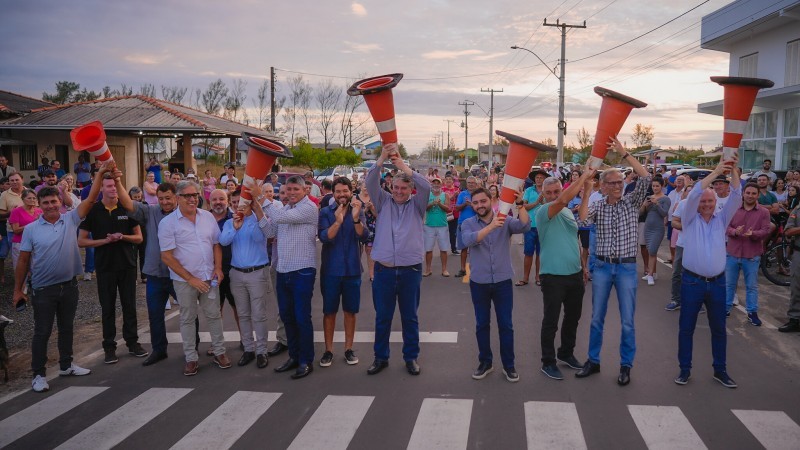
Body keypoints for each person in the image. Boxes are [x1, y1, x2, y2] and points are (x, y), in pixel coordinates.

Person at [13, 163, 110, 392]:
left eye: (54, 201)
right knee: (42, 331)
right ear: (39, 204)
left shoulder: (71, 220)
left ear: (60, 202)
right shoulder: (31, 229)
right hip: (43, 289)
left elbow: (91, 199)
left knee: (67, 327)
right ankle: (38, 374)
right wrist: (18, 290)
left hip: (69, 286)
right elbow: (23, 261)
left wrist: (101, 174)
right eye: (45, 202)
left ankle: (66, 365)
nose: (50, 206)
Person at [576, 137, 650, 386]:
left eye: (620, 182)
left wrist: (624, 153)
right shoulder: (599, 206)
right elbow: (584, 221)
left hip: (627, 267)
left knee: (628, 321)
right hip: (603, 267)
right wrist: (587, 192)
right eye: (613, 183)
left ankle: (625, 365)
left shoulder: (631, 202)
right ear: (604, 186)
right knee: (597, 317)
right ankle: (593, 361)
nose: (618, 186)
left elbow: (646, 177)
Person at [365, 143, 431, 376]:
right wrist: (382, 157)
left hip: (410, 270)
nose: (399, 191)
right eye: (395, 187)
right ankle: (380, 357)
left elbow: (426, 185)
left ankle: (411, 357)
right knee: (382, 317)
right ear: (390, 187)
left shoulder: (418, 205)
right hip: (383, 270)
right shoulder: (382, 202)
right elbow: (370, 180)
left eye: (404, 188)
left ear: (410, 190)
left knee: (410, 317)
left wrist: (403, 165)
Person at [675, 158, 741, 388]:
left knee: (719, 329)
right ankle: (685, 370)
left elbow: (736, 196)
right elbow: (694, 194)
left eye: (710, 201)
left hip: (717, 283)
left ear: (716, 203)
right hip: (692, 282)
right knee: (686, 328)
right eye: (704, 201)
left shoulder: (722, 220)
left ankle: (720, 370)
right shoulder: (689, 219)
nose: (706, 204)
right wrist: (716, 171)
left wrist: (732, 170)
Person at [158, 180, 230, 376]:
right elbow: (166, 256)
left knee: (214, 316)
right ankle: (191, 358)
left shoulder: (207, 217)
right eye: (187, 195)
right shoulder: (167, 223)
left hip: (209, 277)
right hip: (185, 281)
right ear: (177, 198)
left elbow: (216, 244)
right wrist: (190, 279)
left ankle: (219, 352)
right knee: (188, 318)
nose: (192, 199)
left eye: (195, 195)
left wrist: (218, 268)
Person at [78, 172, 147, 363]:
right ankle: (109, 347)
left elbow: (139, 238)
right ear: (101, 188)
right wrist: (104, 241)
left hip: (127, 265)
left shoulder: (127, 209)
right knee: (107, 308)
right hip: (105, 267)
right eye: (108, 186)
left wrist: (122, 237)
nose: (113, 189)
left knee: (129, 306)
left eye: (115, 185)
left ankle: (132, 343)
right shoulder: (93, 211)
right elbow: (81, 241)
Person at [462, 185, 530, 375]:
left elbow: (525, 226)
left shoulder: (505, 220)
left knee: (506, 325)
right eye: (475, 203)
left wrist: (520, 204)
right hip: (479, 282)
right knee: (482, 324)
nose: (479, 205)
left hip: (502, 282)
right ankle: (485, 362)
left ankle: (509, 365)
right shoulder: (468, 223)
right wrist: (491, 227)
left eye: (483, 201)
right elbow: (467, 241)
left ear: (491, 201)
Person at [537, 170, 595, 380]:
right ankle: (548, 361)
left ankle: (566, 353)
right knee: (551, 321)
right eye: (549, 192)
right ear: (544, 195)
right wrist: (583, 178)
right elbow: (563, 200)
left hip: (574, 274)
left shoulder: (568, 212)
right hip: (553, 276)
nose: (553, 195)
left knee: (573, 318)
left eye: (556, 191)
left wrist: (583, 266)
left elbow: (576, 236)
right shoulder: (545, 210)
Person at [260, 175, 319, 379]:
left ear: (305, 191)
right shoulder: (284, 210)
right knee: (287, 316)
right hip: (283, 270)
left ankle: (306, 360)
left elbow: (278, 219)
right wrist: (256, 207)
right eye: (288, 190)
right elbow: (269, 230)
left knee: (302, 317)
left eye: (295, 189)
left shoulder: (309, 208)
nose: (291, 193)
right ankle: (294, 356)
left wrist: (261, 200)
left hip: (302, 270)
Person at [126, 182, 179, 366]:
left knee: (189, 313)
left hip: (179, 274)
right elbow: (128, 204)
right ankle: (159, 350)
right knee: (155, 314)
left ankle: (192, 348)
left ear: (176, 197)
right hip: (155, 274)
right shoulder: (150, 212)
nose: (164, 202)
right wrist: (117, 182)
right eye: (161, 198)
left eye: (168, 198)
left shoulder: (185, 214)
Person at [219, 187, 273, 369]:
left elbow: (262, 237)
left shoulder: (258, 220)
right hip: (236, 273)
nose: (237, 206)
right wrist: (235, 228)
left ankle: (262, 351)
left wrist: (252, 216)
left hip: (257, 272)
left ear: (248, 203)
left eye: (240, 202)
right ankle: (248, 349)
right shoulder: (229, 222)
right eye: (233, 203)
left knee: (259, 315)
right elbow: (223, 241)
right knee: (243, 314)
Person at [317, 177, 368, 367]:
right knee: (329, 311)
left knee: (350, 311)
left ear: (351, 191)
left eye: (345, 191)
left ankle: (348, 348)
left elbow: (364, 236)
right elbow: (325, 237)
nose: (342, 195)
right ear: (333, 193)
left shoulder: (358, 210)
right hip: (331, 270)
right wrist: (337, 221)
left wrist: (354, 218)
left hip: (353, 270)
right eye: (338, 192)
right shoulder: (325, 212)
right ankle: (328, 350)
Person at [725, 183, 771, 325]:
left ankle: (752, 312)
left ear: (757, 195)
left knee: (751, 286)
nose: (750, 196)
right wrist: (734, 232)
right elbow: (725, 226)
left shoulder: (764, 212)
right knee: (728, 284)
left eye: (753, 193)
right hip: (732, 253)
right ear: (743, 193)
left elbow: (766, 230)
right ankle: (725, 308)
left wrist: (754, 234)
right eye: (748, 193)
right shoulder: (733, 209)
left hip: (751, 255)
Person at [208, 189, 241, 353]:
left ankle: (245, 340)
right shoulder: (204, 218)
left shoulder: (235, 218)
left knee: (239, 308)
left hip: (234, 269)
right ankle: (216, 344)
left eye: (221, 199)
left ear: (227, 201)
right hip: (212, 272)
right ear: (209, 202)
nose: (218, 202)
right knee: (215, 309)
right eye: (214, 200)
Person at [519, 169, 548, 286]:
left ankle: (538, 277)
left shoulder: (547, 191)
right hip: (530, 226)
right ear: (534, 180)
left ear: (545, 179)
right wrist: (536, 203)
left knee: (540, 254)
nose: (539, 179)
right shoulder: (529, 190)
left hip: (543, 226)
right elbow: (523, 206)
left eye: (541, 177)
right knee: (528, 253)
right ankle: (525, 278)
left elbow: (551, 206)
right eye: (537, 178)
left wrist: (543, 202)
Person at [641, 177, 670, 285]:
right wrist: (644, 205)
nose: (655, 188)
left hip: (658, 228)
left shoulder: (665, 199)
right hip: (648, 226)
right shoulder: (649, 197)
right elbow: (640, 213)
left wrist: (657, 204)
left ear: (662, 186)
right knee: (650, 251)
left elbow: (664, 213)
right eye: (653, 186)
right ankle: (654, 273)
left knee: (652, 251)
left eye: (657, 186)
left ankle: (650, 275)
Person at [0, 172, 25, 283]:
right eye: (12, 180)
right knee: (18, 259)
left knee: (32, 257)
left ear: (22, 180)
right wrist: (11, 213)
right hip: (13, 231)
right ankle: (20, 284)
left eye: (16, 180)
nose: (14, 182)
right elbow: (1, 213)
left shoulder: (29, 192)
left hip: (30, 230)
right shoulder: (5, 194)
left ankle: (32, 281)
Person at [423, 177, 451, 277]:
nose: (436, 185)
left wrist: (439, 204)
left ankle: (444, 269)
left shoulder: (445, 195)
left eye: (438, 183)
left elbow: (448, 209)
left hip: (442, 225)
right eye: (434, 183)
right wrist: (432, 203)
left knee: (443, 249)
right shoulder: (427, 195)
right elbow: (424, 208)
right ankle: (428, 269)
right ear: (431, 184)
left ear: (441, 184)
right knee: (428, 249)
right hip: (429, 225)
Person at [8, 189, 41, 271]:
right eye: (29, 198)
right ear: (23, 199)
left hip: (36, 243)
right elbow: (16, 230)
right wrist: (32, 223)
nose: (32, 200)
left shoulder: (39, 211)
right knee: (21, 268)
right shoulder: (16, 211)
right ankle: (21, 284)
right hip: (20, 243)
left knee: (35, 267)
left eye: (34, 198)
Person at [780, 202, 800, 333]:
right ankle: (795, 319)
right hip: (799, 253)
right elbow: (788, 231)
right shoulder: (798, 210)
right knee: (797, 287)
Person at [454, 177, 479, 278]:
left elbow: (483, 209)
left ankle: (476, 269)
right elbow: (457, 208)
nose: (471, 185)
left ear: (476, 184)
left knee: (476, 248)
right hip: (463, 224)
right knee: (464, 248)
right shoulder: (462, 194)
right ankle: (463, 269)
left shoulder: (478, 195)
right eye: (469, 183)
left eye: (473, 183)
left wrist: (473, 205)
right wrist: (465, 204)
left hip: (476, 224)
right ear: (466, 184)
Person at [442, 175, 460, 256]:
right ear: (444, 181)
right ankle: (443, 249)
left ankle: (453, 248)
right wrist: (453, 196)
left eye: (450, 179)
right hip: (443, 214)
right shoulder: (442, 190)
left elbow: (460, 200)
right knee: (443, 232)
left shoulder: (457, 189)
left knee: (453, 232)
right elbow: (445, 200)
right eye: (447, 179)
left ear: (453, 181)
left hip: (454, 214)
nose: (448, 180)